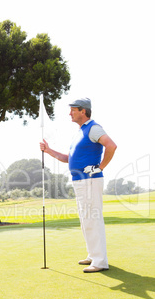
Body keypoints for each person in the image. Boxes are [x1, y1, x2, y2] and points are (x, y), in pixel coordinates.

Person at [40, 98, 117, 273]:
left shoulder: (94, 128)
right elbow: (68, 159)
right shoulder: (80, 133)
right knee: (85, 219)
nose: (70, 113)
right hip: (79, 181)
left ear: (83, 111)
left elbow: (111, 146)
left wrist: (100, 167)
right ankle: (93, 255)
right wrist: (48, 150)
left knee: (92, 218)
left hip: (90, 179)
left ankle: (100, 261)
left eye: (73, 110)